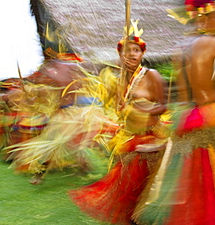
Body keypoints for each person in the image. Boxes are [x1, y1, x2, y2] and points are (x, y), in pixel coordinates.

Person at [132, 0, 215, 225]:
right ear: (212, 17)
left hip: (191, 118)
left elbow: (186, 98)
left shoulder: (182, 49)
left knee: (193, 187)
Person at [68, 20, 169, 225]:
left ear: (142, 54)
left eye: (136, 50)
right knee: (129, 197)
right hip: (128, 141)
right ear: (119, 55)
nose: (131, 55)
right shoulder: (120, 80)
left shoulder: (151, 75)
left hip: (150, 141)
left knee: (150, 194)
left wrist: (141, 107)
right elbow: (116, 109)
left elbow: (163, 106)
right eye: (126, 51)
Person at [5, 54, 118, 185]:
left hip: (76, 113)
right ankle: (46, 174)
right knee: (61, 143)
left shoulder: (55, 68)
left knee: (59, 143)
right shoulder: (67, 68)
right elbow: (94, 67)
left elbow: (93, 68)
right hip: (75, 112)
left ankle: (102, 165)